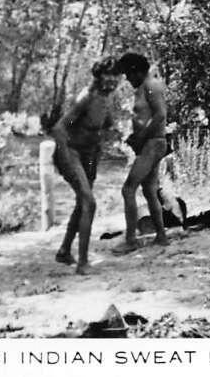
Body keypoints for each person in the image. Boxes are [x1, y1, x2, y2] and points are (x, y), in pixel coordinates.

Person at [51, 57, 120, 275]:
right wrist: (65, 158)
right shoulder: (86, 98)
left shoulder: (107, 99)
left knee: (83, 204)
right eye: (108, 75)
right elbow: (60, 128)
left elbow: (106, 126)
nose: (112, 80)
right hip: (71, 153)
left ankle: (64, 251)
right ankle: (82, 263)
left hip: (90, 155)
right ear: (99, 77)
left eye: (116, 76)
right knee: (89, 202)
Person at [111, 53, 169, 254]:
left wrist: (140, 136)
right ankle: (161, 236)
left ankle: (131, 240)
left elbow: (160, 115)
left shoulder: (151, 85)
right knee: (149, 190)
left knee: (128, 189)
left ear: (136, 71)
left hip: (153, 144)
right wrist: (135, 137)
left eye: (128, 74)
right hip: (149, 143)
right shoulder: (145, 87)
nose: (127, 79)